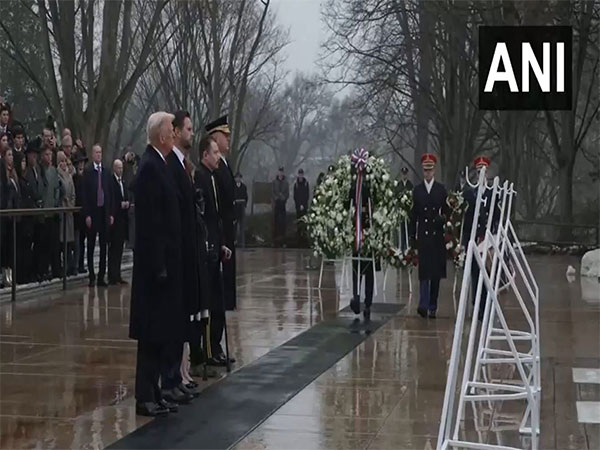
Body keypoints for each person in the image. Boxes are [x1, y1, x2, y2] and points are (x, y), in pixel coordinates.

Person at [129, 112, 184, 417]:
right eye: (170, 130)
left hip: (165, 265)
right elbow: (151, 224)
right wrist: (160, 264)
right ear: (161, 137)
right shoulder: (150, 167)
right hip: (154, 269)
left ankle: (154, 392)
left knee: (160, 334)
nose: (174, 134)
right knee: (150, 336)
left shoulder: (159, 164)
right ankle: (145, 396)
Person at [162, 110, 202, 403]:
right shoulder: (171, 166)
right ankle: (171, 378)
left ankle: (177, 376)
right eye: (188, 129)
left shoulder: (182, 165)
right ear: (175, 131)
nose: (191, 133)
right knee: (173, 319)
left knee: (181, 318)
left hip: (186, 250)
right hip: (176, 252)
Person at [194, 135, 233, 367]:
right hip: (206, 246)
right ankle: (206, 349)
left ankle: (215, 346)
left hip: (216, 242)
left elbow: (218, 214)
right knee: (209, 302)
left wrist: (221, 243)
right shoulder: (200, 176)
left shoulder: (213, 176)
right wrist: (211, 244)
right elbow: (203, 216)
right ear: (205, 155)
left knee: (219, 300)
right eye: (215, 152)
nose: (218, 156)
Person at [206, 115, 236, 366]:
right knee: (216, 298)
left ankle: (217, 345)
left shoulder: (224, 165)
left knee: (223, 296)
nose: (228, 139)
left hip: (226, 238)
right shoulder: (215, 171)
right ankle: (212, 345)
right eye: (224, 136)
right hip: (220, 238)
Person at [410, 153, 448, 319]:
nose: (427, 173)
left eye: (430, 170)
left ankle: (433, 304)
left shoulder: (441, 190)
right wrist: (412, 236)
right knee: (424, 272)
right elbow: (413, 215)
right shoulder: (417, 190)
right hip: (424, 235)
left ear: (434, 170)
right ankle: (423, 304)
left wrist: (443, 219)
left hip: (437, 235)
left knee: (435, 273)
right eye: (425, 170)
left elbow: (447, 211)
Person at [348, 150, 375, 321]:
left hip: (368, 231)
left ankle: (368, 302)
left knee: (369, 271)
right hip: (356, 233)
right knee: (356, 269)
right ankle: (356, 298)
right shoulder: (353, 187)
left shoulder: (371, 186)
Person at [81, 144, 113, 287]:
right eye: (96, 152)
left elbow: (110, 193)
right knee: (92, 244)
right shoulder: (88, 172)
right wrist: (87, 214)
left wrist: (111, 213)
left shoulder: (106, 172)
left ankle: (101, 276)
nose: (99, 155)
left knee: (104, 245)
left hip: (104, 212)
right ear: (92, 154)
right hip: (93, 212)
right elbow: (84, 195)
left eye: (100, 152)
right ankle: (92, 276)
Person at [39, 146, 61, 280]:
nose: (49, 157)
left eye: (50, 155)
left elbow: (57, 189)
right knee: (43, 245)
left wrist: (56, 201)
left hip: (53, 211)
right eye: (46, 155)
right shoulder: (41, 170)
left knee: (54, 244)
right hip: (43, 213)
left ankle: (56, 269)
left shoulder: (53, 171)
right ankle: (42, 269)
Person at [108, 159, 130, 285]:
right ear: (114, 168)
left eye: (121, 168)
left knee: (119, 249)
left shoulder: (123, 182)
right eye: (118, 168)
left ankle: (118, 274)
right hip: (115, 219)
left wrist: (126, 202)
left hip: (123, 219)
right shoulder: (112, 182)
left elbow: (125, 196)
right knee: (114, 249)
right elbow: (112, 199)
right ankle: (112, 275)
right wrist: (119, 205)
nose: (120, 170)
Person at [1, 149, 21, 286]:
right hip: (5, 216)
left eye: (12, 155)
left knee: (11, 246)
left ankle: (10, 273)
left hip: (14, 215)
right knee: (4, 246)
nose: (11, 157)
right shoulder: (4, 175)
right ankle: (4, 274)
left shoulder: (14, 174)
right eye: (9, 155)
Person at [57, 151, 76, 276]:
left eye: (65, 161)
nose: (64, 164)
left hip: (69, 212)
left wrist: (71, 205)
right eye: (61, 161)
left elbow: (73, 193)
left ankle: (69, 267)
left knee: (69, 242)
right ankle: (62, 267)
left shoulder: (69, 176)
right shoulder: (57, 176)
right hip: (61, 211)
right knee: (61, 241)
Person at [72, 153, 88, 274]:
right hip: (76, 214)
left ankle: (81, 263)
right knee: (77, 241)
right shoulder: (74, 178)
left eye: (83, 163)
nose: (81, 165)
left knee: (82, 241)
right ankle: (76, 264)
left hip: (84, 213)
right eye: (79, 163)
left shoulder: (86, 177)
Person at [272, 166, 289, 247]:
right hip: (276, 203)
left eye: (282, 172)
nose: (281, 173)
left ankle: (283, 242)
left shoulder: (286, 182)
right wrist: (276, 197)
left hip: (282, 204)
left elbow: (287, 193)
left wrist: (283, 198)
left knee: (283, 223)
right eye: (280, 171)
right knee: (276, 223)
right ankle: (275, 242)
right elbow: (272, 192)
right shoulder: (274, 182)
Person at [293, 168, 310, 247]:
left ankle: (304, 239)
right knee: (298, 223)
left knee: (304, 223)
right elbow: (295, 196)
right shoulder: (296, 184)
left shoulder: (306, 183)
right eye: (299, 174)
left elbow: (307, 195)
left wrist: (303, 204)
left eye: (301, 174)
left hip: (304, 206)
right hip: (298, 206)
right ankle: (298, 240)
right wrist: (299, 205)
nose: (300, 175)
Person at [233, 172, 248, 247]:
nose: (238, 179)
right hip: (235, 209)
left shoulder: (244, 187)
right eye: (236, 177)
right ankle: (234, 241)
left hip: (241, 208)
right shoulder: (233, 187)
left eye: (239, 177)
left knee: (242, 225)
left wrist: (245, 204)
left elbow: (246, 197)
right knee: (234, 225)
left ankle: (242, 242)